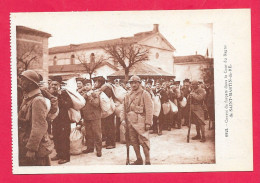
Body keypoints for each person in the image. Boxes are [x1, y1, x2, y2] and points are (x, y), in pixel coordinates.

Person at [18, 70, 52, 166]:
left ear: (30, 83)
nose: (21, 82)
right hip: (25, 143)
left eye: (23, 80)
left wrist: (31, 149)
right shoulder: (29, 98)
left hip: (35, 149)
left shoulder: (37, 100)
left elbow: (39, 126)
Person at [121, 75, 153, 165]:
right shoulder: (127, 95)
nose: (133, 85)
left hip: (141, 122)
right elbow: (123, 108)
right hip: (130, 122)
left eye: (135, 83)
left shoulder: (144, 94)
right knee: (133, 141)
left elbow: (149, 109)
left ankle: (147, 160)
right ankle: (139, 159)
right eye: (131, 83)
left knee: (144, 141)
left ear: (139, 83)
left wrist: (148, 122)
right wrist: (123, 119)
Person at [50, 76, 73, 164]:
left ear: (59, 85)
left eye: (55, 84)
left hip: (64, 120)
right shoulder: (51, 94)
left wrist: (59, 96)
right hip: (55, 119)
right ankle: (59, 154)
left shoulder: (64, 93)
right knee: (56, 137)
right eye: (52, 84)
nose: (53, 86)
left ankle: (66, 157)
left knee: (64, 138)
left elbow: (68, 105)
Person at [81, 79, 102, 157]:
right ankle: (90, 148)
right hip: (86, 116)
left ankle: (99, 150)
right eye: (85, 85)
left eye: (88, 85)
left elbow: (96, 104)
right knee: (88, 134)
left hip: (95, 116)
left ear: (91, 85)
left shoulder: (95, 93)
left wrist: (90, 96)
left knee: (97, 134)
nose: (86, 87)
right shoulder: (83, 94)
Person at [93, 76, 116, 149]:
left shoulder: (106, 88)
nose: (95, 84)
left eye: (96, 82)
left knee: (110, 127)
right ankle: (108, 142)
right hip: (106, 111)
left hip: (109, 110)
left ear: (99, 82)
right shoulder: (102, 88)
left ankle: (111, 143)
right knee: (106, 127)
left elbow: (105, 99)